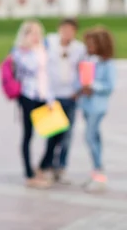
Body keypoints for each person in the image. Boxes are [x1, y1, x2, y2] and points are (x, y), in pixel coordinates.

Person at [37, 18, 86, 184]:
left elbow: (83, 70)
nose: (67, 33)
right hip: (52, 96)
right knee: (52, 133)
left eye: (71, 30)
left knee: (67, 134)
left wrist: (78, 90)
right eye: (64, 29)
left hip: (70, 96)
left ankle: (61, 167)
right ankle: (47, 165)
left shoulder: (79, 48)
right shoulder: (49, 42)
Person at [11, 19, 55, 189]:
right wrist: (29, 49)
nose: (36, 36)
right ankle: (29, 174)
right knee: (28, 134)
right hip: (27, 95)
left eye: (38, 33)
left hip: (43, 96)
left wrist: (50, 99)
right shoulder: (20, 51)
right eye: (32, 33)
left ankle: (43, 165)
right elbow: (28, 69)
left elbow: (46, 75)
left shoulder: (43, 50)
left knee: (55, 131)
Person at [79, 26, 116, 193]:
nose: (89, 46)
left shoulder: (107, 63)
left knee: (89, 136)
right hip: (86, 103)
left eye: (92, 43)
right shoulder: (88, 59)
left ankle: (99, 169)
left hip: (98, 105)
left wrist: (93, 86)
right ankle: (96, 171)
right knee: (95, 136)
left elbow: (110, 86)